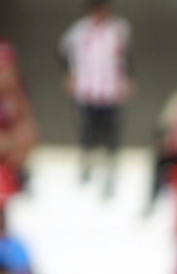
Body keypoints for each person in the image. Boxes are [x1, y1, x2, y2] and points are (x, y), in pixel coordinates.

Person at [59, 1, 132, 197]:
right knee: (87, 129)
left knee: (111, 131)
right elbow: (63, 51)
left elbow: (126, 56)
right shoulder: (79, 30)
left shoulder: (119, 29)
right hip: (88, 88)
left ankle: (111, 169)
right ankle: (87, 164)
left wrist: (129, 78)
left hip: (110, 89)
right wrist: (69, 74)